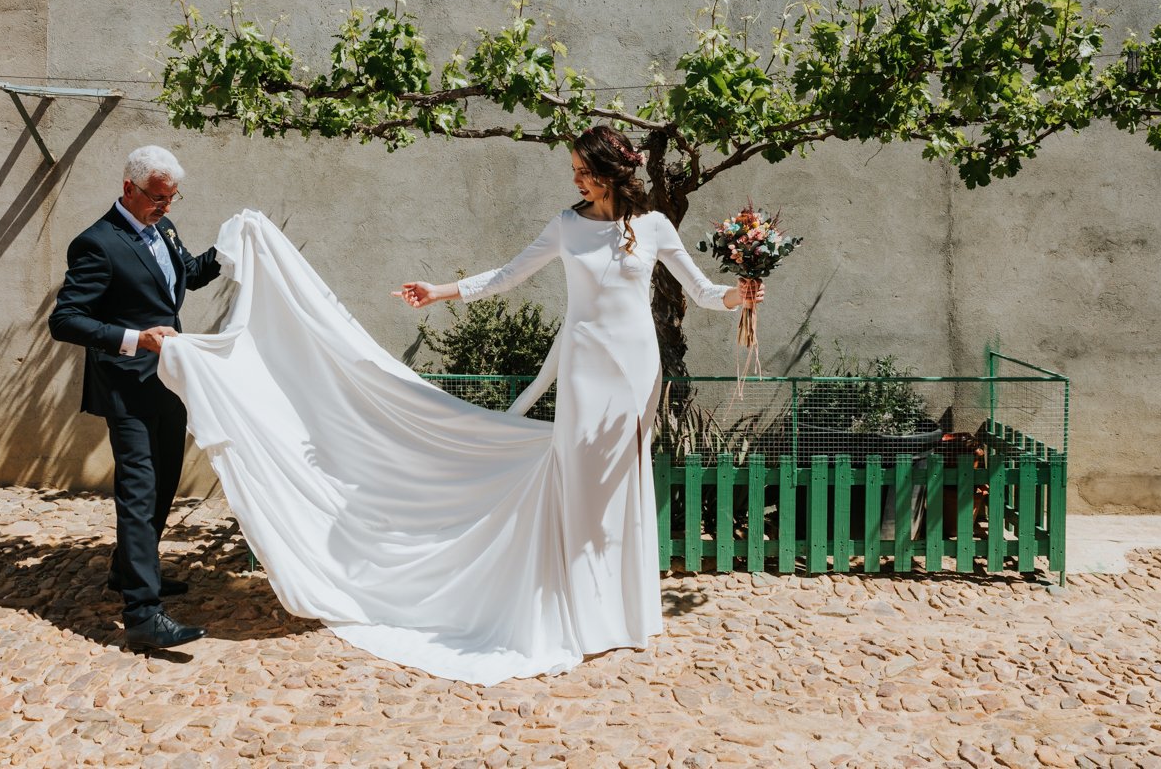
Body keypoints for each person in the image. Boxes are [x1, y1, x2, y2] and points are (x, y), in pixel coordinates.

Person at [154, 126, 759, 682]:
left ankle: (623, 614)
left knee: (620, 480)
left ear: (608, 170)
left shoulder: (653, 227)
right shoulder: (566, 225)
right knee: (577, 482)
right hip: (584, 369)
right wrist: (439, 290)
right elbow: (506, 275)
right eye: (573, 168)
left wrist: (743, 292)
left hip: (635, 370)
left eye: (582, 169)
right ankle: (578, 612)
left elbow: (705, 292)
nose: (575, 178)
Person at [49, 145, 222, 650]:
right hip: (126, 385)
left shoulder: (163, 228)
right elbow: (65, 321)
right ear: (129, 188)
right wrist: (134, 339)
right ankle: (143, 615)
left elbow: (186, 274)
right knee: (140, 491)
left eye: (171, 198)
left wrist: (233, 250)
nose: (166, 207)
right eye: (158, 197)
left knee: (165, 481)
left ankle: (128, 571)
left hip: (168, 380)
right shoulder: (96, 244)